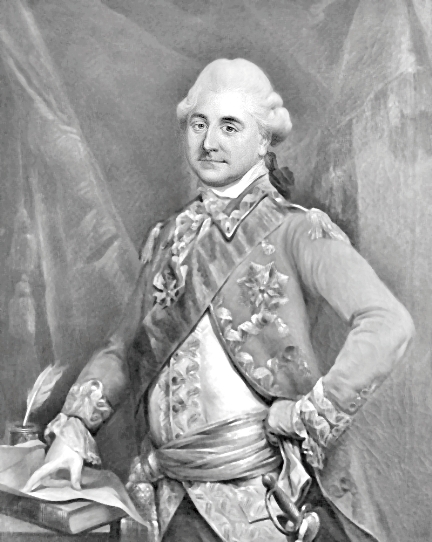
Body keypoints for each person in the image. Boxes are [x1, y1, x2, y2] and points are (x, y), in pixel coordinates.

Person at [24, 59, 414, 542]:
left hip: (262, 504)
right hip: (169, 500)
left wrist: (310, 413)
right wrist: (74, 428)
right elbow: (123, 351)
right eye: (198, 124)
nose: (209, 142)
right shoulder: (168, 239)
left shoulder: (297, 231)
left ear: (264, 140)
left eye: (230, 126)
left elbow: (387, 323)